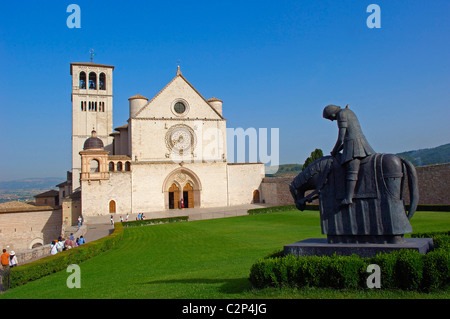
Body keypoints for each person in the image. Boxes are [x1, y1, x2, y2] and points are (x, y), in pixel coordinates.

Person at [323, 104, 375, 206]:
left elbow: (341, 138)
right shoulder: (348, 112)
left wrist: (334, 151)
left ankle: (348, 198)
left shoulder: (341, 114)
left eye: (330, 118)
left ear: (333, 113)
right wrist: (339, 149)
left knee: (352, 171)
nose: (332, 120)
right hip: (358, 142)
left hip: (355, 145)